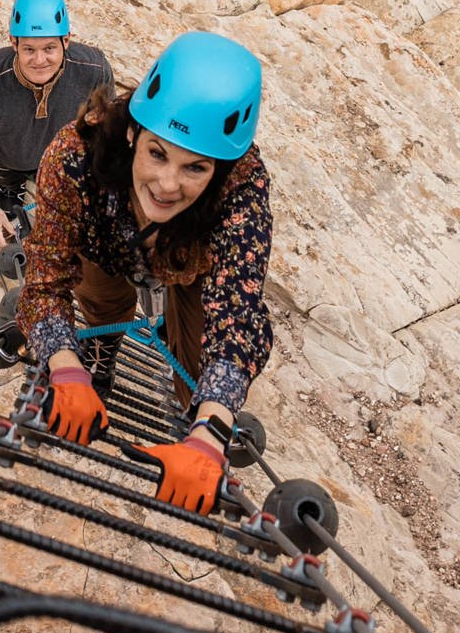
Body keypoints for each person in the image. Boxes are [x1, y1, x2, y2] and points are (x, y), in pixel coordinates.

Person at [15, 30, 271, 515]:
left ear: (223, 168)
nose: (168, 184)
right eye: (157, 153)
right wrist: (64, 366)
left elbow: (237, 317)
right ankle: (99, 353)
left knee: (198, 371)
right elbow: (47, 275)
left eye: (196, 168)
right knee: (99, 298)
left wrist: (211, 430)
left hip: (190, 267)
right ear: (133, 132)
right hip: (104, 246)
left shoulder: (242, 191)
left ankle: (189, 413)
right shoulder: (76, 156)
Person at [0, 0, 114, 257]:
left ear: (66, 41)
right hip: (5, 159)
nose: (39, 60)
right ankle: (10, 187)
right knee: (8, 193)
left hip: (61, 159)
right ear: (13, 43)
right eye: (28, 49)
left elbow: (104, 127)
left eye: (49, 48)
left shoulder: (93, 70)